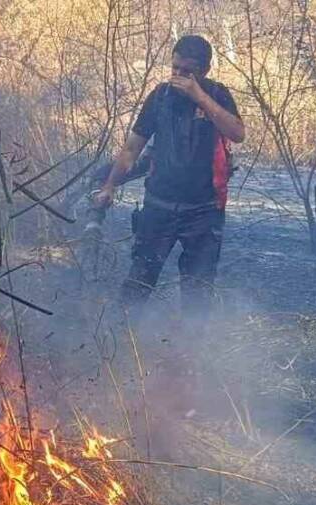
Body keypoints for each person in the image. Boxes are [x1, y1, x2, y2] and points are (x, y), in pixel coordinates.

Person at [94, 34, 244, 324]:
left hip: (204, 212)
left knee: (197, 294)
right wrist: (110, 185)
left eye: (186, 71)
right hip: (158, 207)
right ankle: (119, 346)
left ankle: (189, 357)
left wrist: (200, 97)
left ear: (204, 71)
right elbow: (131, 148)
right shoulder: (160, 97)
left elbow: (237, 133)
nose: (178, 76)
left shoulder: (218, 94)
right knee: (138, 283)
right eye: (175, 68)